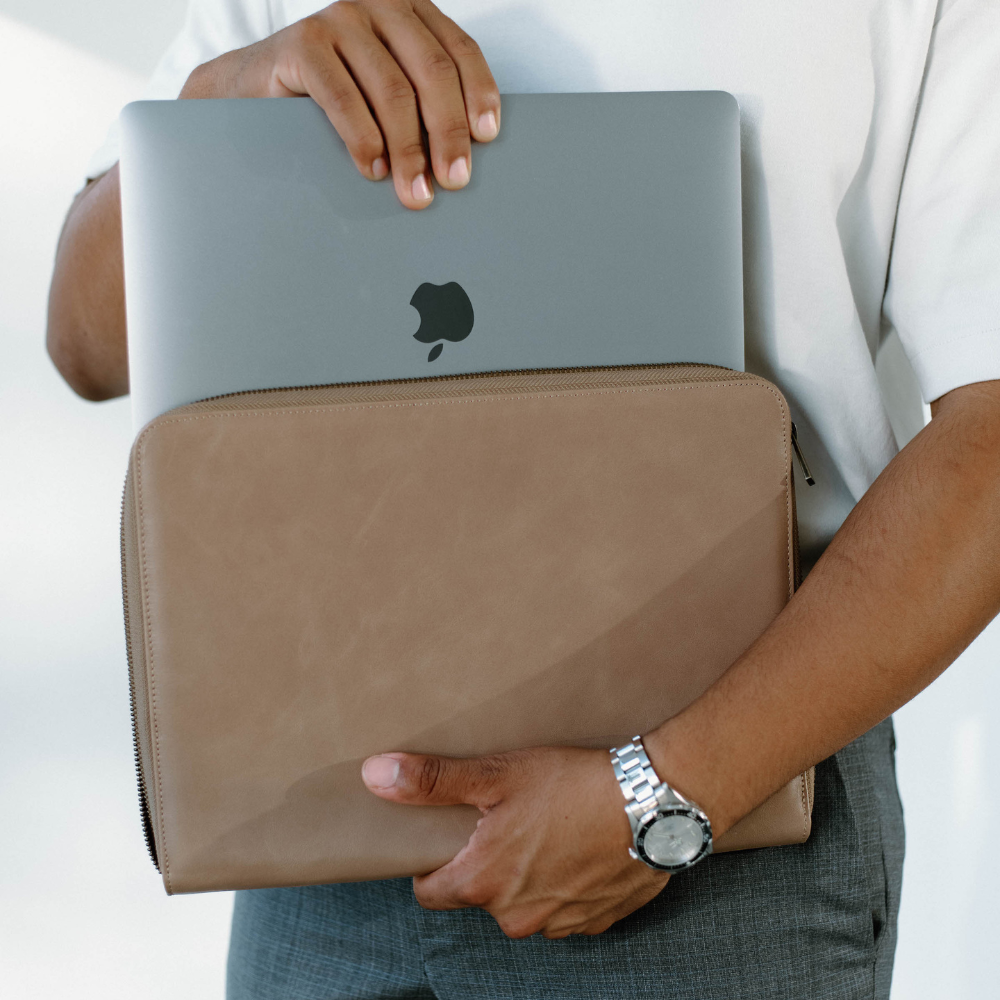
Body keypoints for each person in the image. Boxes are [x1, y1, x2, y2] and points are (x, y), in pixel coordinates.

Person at [47, 1, 1000, 997]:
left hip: (720, 813)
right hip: (319, 798)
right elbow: (85, 341)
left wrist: (662, 796)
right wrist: (224, 107)